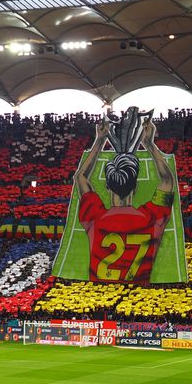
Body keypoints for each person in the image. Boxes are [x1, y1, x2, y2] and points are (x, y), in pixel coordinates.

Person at [74, 113, 176, 284]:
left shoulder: (94, 217)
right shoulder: (152, 218)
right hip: (137, 299)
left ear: (107, 187)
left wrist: (100, 140)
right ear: (135, 188)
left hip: (101, 298)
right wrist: (149, 144)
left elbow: (80, 177)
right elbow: (168, 180)